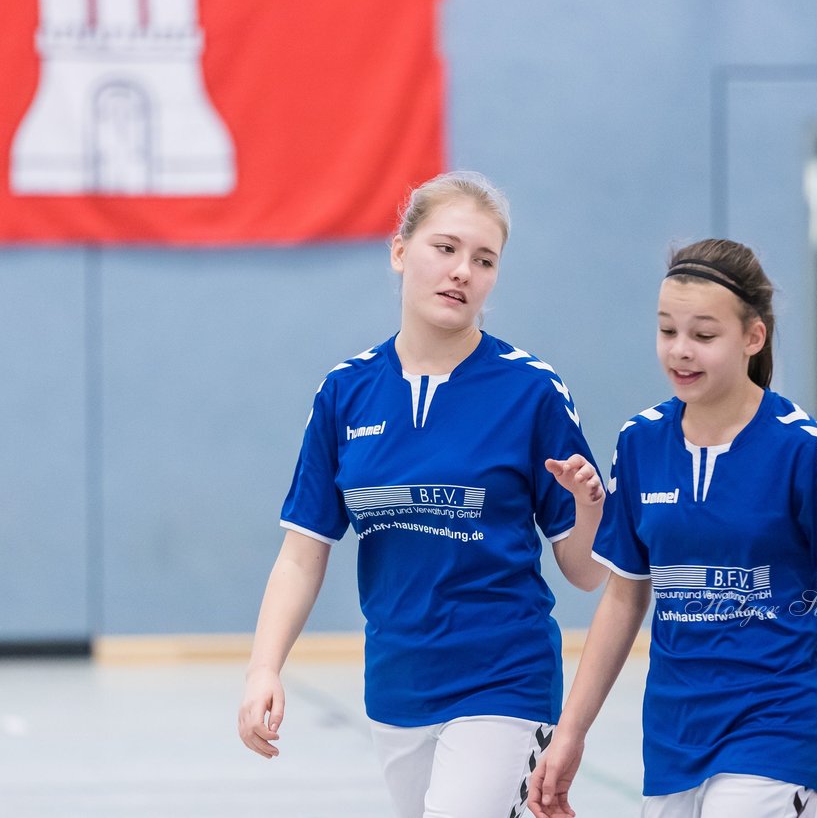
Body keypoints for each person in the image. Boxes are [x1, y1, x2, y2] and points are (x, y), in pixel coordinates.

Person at [237, 170, 608, 818]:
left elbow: (583, 572)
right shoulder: (346, 393)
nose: (462, 270)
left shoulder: (532, 392)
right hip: (397, 684)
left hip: (505, 677)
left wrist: (590, 506)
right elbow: (302, 554)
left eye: (483, 259)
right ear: (401, 250)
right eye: (446, 248)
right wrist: (263, 669)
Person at [530, 239, 817, 818]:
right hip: (671, 739)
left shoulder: (803, 450)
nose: (680, 351)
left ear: (752, 338)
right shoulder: (640, 443)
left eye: (703, 334)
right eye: (668, 331)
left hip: (773, 731)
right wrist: (571, 732)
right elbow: (623, 597)